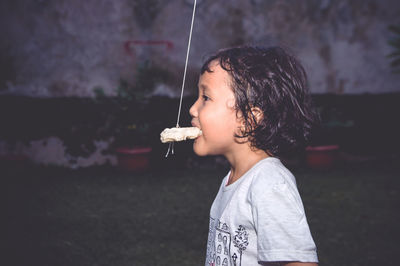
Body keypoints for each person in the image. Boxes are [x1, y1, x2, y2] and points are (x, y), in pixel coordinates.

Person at [189, 46, 319, 266]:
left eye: (206, 97)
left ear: (248, 119)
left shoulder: (269, 182)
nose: (193, 109)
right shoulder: (234, 179)